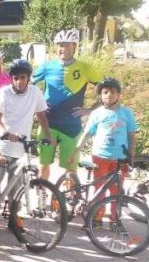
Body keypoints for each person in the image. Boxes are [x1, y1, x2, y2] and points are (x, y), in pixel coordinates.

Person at [32, 29, 101, 181]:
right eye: (60, 45)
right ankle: (43, 200)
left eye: (68, 45)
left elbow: (107, 91)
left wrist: (89, 110)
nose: (64, 49)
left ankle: (66, 202)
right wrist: (36, 105)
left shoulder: (86, 67)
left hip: (72, 126)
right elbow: (27, 86)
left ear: (75, 47)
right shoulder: (46, 66)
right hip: (48, 123)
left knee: (70, 170)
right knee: (43, 166)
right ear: (56, 47)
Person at [0, 59, 51, 214]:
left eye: (23, 77)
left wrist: (47, 135)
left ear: (28, 78)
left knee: (17, 188)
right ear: (11, 79)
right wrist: (6, 133)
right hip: (0, 147)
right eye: (16, 78)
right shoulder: (4, 92)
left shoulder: (35, 92)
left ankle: (14, 218)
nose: (19, 81)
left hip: (20, 149)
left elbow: (41, 116)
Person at [68, 78, 137, 216]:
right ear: (100, 95)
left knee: (116, 191)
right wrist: (75, 152)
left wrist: (131, 156)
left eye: (113, 92)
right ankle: (97, 218)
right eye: (105, 92)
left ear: (119, 94)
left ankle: (115, 219)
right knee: (99, 189)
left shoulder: (126, 113)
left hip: (120, 158)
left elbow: (131, 136)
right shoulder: (97, 113)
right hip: (100, 157)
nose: (109, 95)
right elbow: (86, 134)